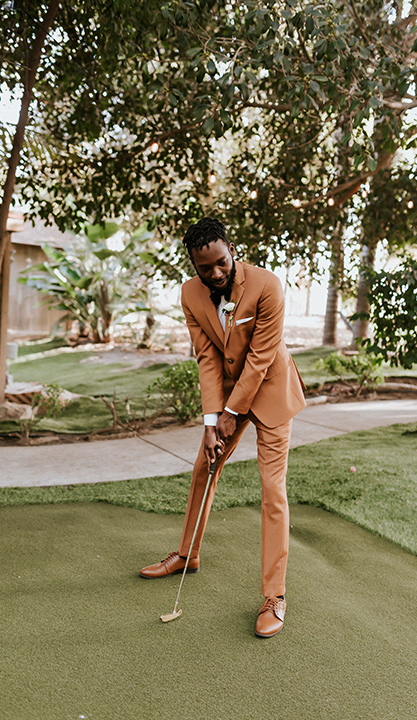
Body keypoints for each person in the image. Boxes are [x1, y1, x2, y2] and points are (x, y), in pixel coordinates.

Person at [140, 217, 306, 637]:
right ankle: (187, 554)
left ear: (232, 250)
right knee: (204, 468)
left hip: (270, 391)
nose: (214, 274)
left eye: (220, 263)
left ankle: (275, 595)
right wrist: (212, 421)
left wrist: (232, 412)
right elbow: (208, 360)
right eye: (204, 268)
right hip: (228, 397)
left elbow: (261, 357)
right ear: (193, 265)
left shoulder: (267, 286)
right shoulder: (189, 295)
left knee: (272, 489)